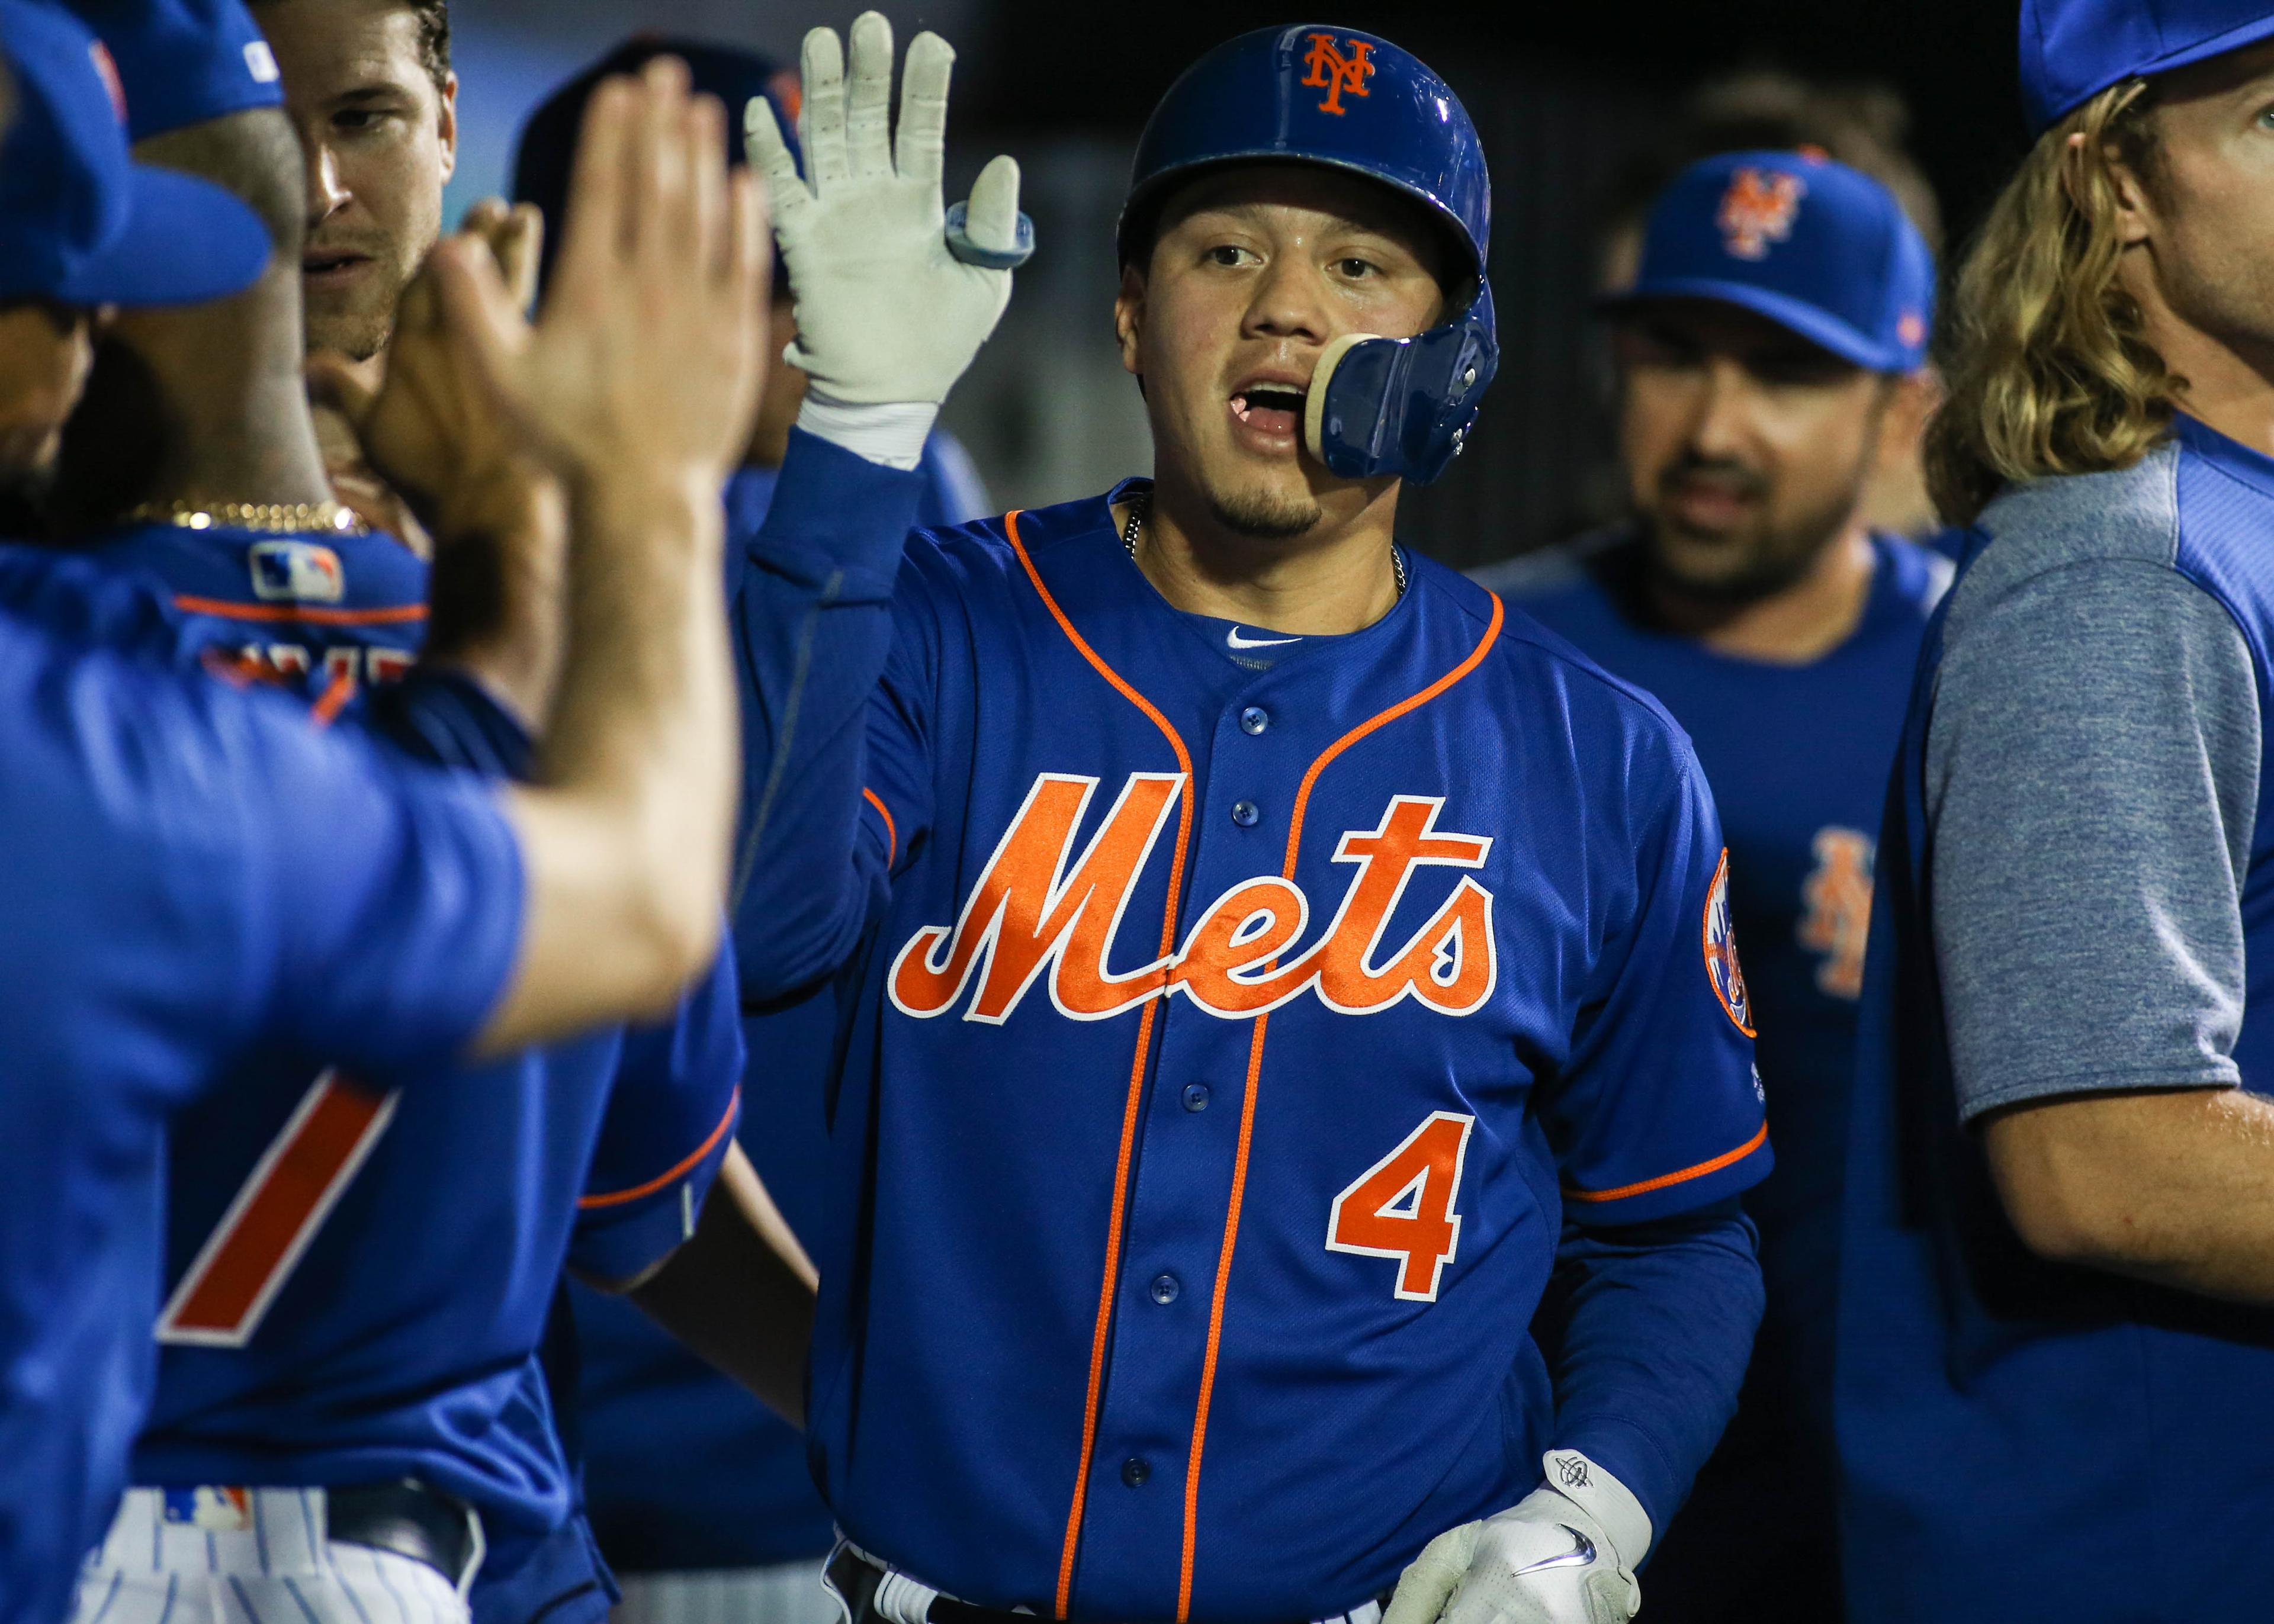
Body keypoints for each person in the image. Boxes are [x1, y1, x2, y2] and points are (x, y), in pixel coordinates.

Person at [735, 18, 1768, 1623]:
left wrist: (1594, 1509)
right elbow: (761, 929)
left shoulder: (1602, 758)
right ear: (1137, 318)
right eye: (1228, 250)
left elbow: (1679, 1236)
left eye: (1364, 265)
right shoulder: (929, 620)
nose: (1289, 303)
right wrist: (856, 440)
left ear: (1458, 352)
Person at [41, 9, 815, 1623]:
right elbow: (650, 1201)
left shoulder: (68, 677)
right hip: (449, 1560)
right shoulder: (585, 679)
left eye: (374, 118)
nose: (333, 191)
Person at [506, 38, 990, 1624]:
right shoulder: (542, 548)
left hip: (853, 1454)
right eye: (766, 267)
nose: (808, 323)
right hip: (635, 1473)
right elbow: (736, 928)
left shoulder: (924, 509)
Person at [1838, 2, 2274, 1620]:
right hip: (2136, 1562)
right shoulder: (2118, 566)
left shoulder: (2235, 532)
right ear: (2116, 181)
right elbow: (2099, 1153)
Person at [1473, 150, 1944, 1623]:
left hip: (1901, 1503)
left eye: (1790, 371)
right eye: (1675, 357)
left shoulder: (2003, 675)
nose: (1716, 426)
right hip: (1538, 1493)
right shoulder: (1483, 664)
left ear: (1901, 406)